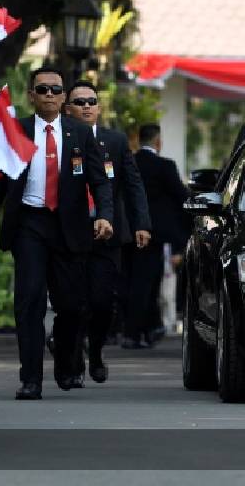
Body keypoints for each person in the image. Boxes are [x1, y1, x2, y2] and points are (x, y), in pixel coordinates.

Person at [0, 66, 114, 400]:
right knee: (29, 301)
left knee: (71, 305)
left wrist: (105, 216)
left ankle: (66, 363)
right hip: (29, 225)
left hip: (70, 228)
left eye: (55, 89)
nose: (49, 95)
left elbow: (100, 182)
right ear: (31, 95)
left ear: (64, 97)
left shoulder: (79, 134)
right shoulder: (14, 132)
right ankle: (30, 379)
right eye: (42, 89)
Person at [62, 80, 151, 382]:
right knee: (73, 302)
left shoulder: (114, 140)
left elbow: (133, 183)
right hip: (69, 233)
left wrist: (141, 223)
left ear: (98, 108)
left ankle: (96, 350)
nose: (86, 106)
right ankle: (72, 362)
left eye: (91, 101)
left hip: (108, 234)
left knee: (102, 301)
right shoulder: (59, 139)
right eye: (79, 101)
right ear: (67, 108)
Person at [125, 124, 190, 349]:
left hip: (127, 232)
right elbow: (182, 197)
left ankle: (145, 328)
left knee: (134, 281)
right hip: (154, 234)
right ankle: (136, 331)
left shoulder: (129, 162)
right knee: (147, 284)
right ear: (158, 142)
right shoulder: (164, 166)